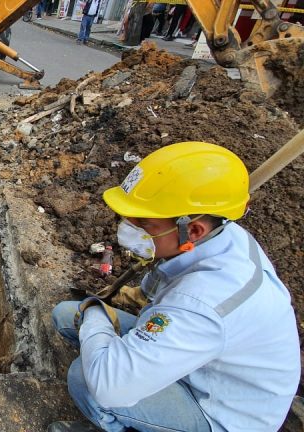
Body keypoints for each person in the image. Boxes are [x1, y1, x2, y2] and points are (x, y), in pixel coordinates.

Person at [50, 142, 300, 431]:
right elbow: (160, 285)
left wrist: (96, 310)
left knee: (88, 379)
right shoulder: (221, 238)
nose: (127, 227)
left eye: (143, 221)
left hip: (218, 411)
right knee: (68, 316)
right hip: (200, 362)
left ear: (192, 229)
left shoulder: (202, 302)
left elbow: (109, 386)